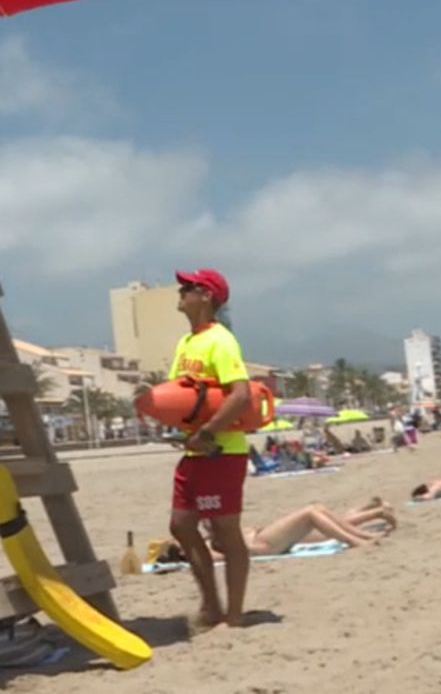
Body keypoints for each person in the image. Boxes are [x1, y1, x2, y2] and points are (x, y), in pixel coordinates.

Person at [163, 268, 256, 628]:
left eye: (187, 288)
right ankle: (211, 605)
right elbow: (183, 396)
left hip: (223, 452)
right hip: (194, 452)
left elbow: (241, 394)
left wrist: (207, 432)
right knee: (181, 525)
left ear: (206, 296)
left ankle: (234, 614)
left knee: (226, 532)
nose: (180, 292)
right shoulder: (185, 343)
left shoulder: (222, 341)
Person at [155, 500, 396, 563]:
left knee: (317, 511)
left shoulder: (202, 543)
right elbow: (232, 554)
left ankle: (363, 534)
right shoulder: (201, 553)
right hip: (263, 545)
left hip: (263, 536)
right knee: (310, 513)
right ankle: (357, 540)